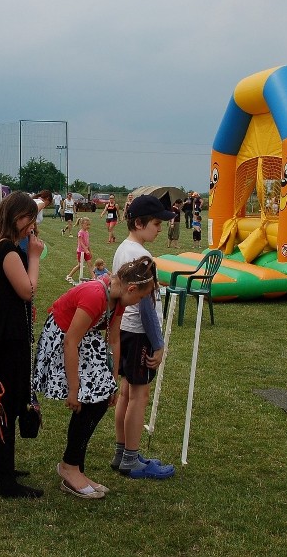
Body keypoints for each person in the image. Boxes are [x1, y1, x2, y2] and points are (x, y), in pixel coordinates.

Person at [34, 256, 158, 499]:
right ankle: (70, 468)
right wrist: (74, 389)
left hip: (82, 339)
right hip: (63, 340)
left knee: (99, 400)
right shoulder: (95, 295)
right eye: (141, 298)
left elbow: (113, 340)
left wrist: (111, 382)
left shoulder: (118, 297)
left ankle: (74, 468)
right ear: (131, 288)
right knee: (90, 402)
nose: (139, 302)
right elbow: (70, 341)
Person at [0, 191, 44, 499]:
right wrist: (34, 257)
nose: (33, 225)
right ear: (17, 218)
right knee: (7, 406)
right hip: (8, 340)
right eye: (30, 218)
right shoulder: (9, 251)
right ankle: (6, 481)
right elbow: (27, 290)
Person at [111, 195, 176, 481]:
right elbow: (147, 306)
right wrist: (159, 344)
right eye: (156, 223)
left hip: (125, 330)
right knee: (139, 395)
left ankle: (124, 453)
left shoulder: (123, 250)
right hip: (139, 333)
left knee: (127, 392)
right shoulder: (142, 257)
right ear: (139, 223)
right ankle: (131, 459)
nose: (159, 229)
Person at [66, 217, 93, 283]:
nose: (88, 226)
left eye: (89, 225)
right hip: (81, 252)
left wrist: (90, 250)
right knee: (80, 265)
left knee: (89, 263)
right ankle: (69, 276)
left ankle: (93, 277)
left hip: (86, 251)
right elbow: (81, 243)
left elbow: (87, 243)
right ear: (82, 224)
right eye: (87, 225)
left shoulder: (87, 232)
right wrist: (85, 250)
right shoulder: (80, 233)